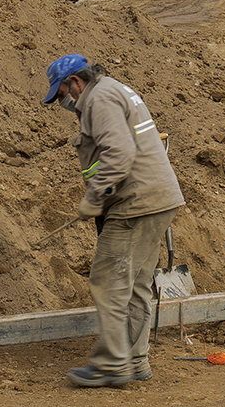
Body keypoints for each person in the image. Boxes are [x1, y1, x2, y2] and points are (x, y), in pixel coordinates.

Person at [42, 55, 185, 388]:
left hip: (136, 204)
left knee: (107, 281)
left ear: (76, 82)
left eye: (62, 93)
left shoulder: (99, 99)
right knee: (135, 284)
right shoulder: (112, 90)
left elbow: (118, 153)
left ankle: (112, 364)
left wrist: (94, 198)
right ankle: (135, 360)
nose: (63, 102)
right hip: (156, 199)